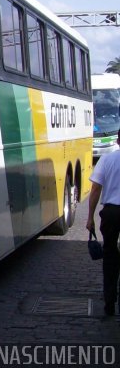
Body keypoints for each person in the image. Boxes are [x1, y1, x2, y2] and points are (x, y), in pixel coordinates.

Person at [86, 129, 120, 316]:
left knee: (110, 255)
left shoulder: (107, 159)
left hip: (112, 212)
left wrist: (90, 217)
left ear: (118, 140)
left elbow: (96, 188)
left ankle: (109, 300)